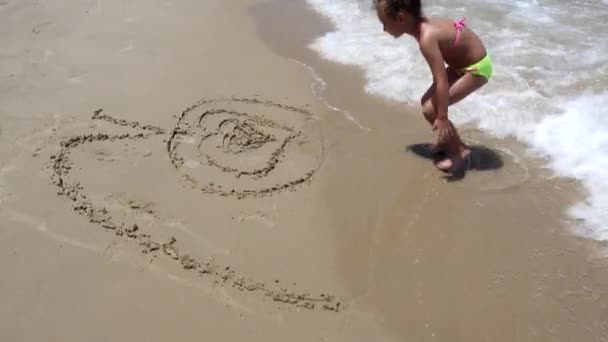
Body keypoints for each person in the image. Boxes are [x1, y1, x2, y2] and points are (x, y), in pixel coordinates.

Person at [374, 0, 493, 172]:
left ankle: (460, 150)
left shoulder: (426, 38)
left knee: (431, 110)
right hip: (461, 65)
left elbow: (441, 80)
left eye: (384, 23)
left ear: (401, 18)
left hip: (477, 68)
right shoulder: (423, 25)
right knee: (427, 103)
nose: (384, 29)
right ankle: (451, 143)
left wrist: (443, 117)